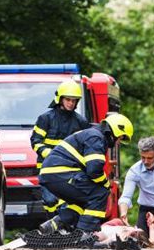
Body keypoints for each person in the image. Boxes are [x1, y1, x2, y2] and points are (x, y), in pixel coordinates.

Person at [37, 113, 134, 241]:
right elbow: (94, 170)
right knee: (100, 193)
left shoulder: (91, 134)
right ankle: (85, 233)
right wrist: (105, 183)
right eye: (120, 138)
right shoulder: (96, 137)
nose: (118, 142)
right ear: (115, 131)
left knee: (82, 200)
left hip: (53, 174)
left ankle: (57, 223)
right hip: (61, 172)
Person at [30, 80, 90, 214]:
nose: (71, 103)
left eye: (74, 100)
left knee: (66, 203)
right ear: (60, 99)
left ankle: (64, 230)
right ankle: (53, 227)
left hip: (70, 170)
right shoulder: (45, 118)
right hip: (47, 169)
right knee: (50, 201)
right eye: (68, 99)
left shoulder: (81, 122)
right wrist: (51, 155)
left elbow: (86, 147)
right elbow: (35, 141)